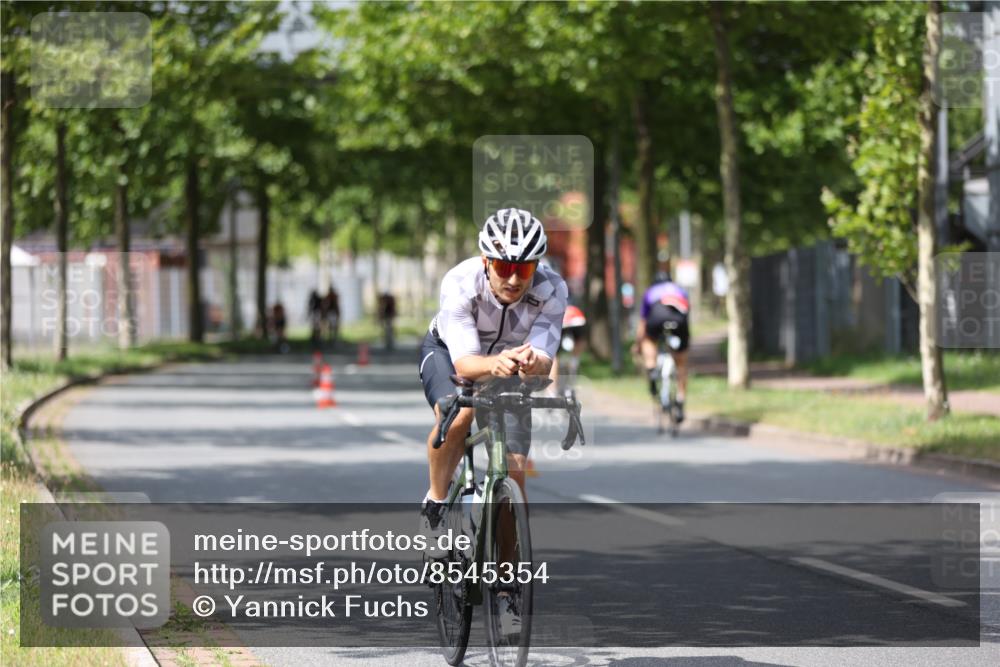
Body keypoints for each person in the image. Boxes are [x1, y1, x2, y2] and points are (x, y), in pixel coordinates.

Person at [418, 208, 567, 542]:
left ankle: (508, 572)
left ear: (536, 266)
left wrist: (533, 364)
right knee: (460, 415)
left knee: (515, 471)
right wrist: (494, 363)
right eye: (504, 267)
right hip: (449, 353)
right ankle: (435, 505)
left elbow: (545, 359)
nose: (513, 279)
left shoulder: (552, 289)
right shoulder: (460, 282)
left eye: (524, 269)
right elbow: (464, 365)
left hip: (509, 363)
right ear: (486, 261)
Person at [633, 268, 691, 422]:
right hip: (679, 320)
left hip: (657, 317)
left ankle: (651, 368)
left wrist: (638, 344)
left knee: (649, 341)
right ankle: (680, 399)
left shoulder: (650, 292)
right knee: (681, 363)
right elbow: (687, 312)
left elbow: (643, 322)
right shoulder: (680, 290)